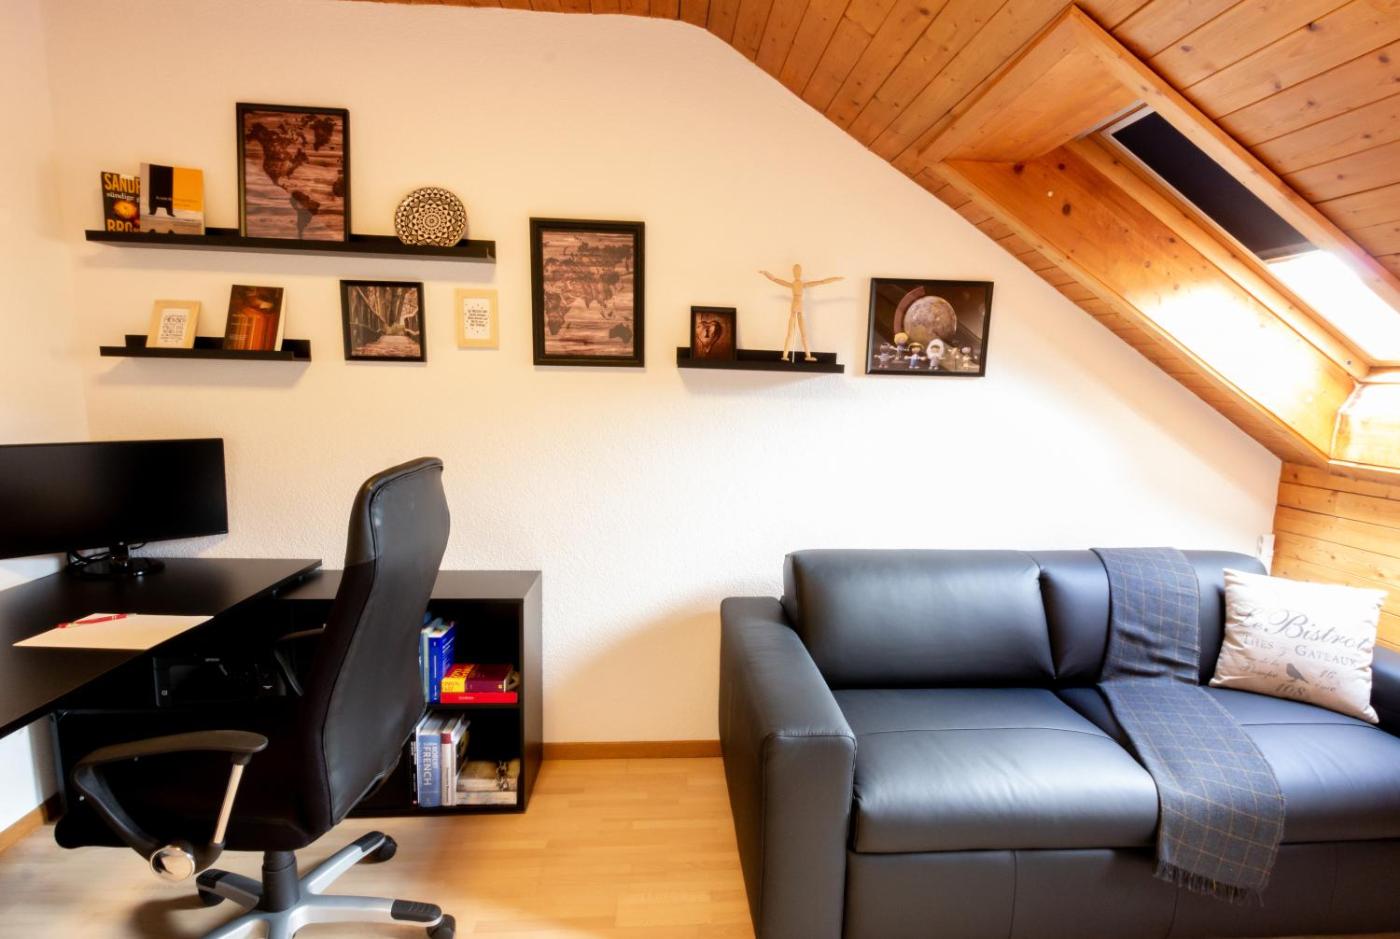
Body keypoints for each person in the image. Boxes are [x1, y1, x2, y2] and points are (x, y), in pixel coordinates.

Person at [758, 264, 843, 362]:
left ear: (801, 272)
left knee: (804, 333)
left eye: (798, 271)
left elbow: (821, 282)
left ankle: (808, 355)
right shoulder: (792, 285)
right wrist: (765, 273)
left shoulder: (803, 285)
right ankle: (785, 355)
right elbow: (775, 279)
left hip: (800, 308)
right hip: (794, 308)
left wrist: (836, 279)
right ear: (793, 273)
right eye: (795, 271)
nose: (797, 273)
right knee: (790, 333)